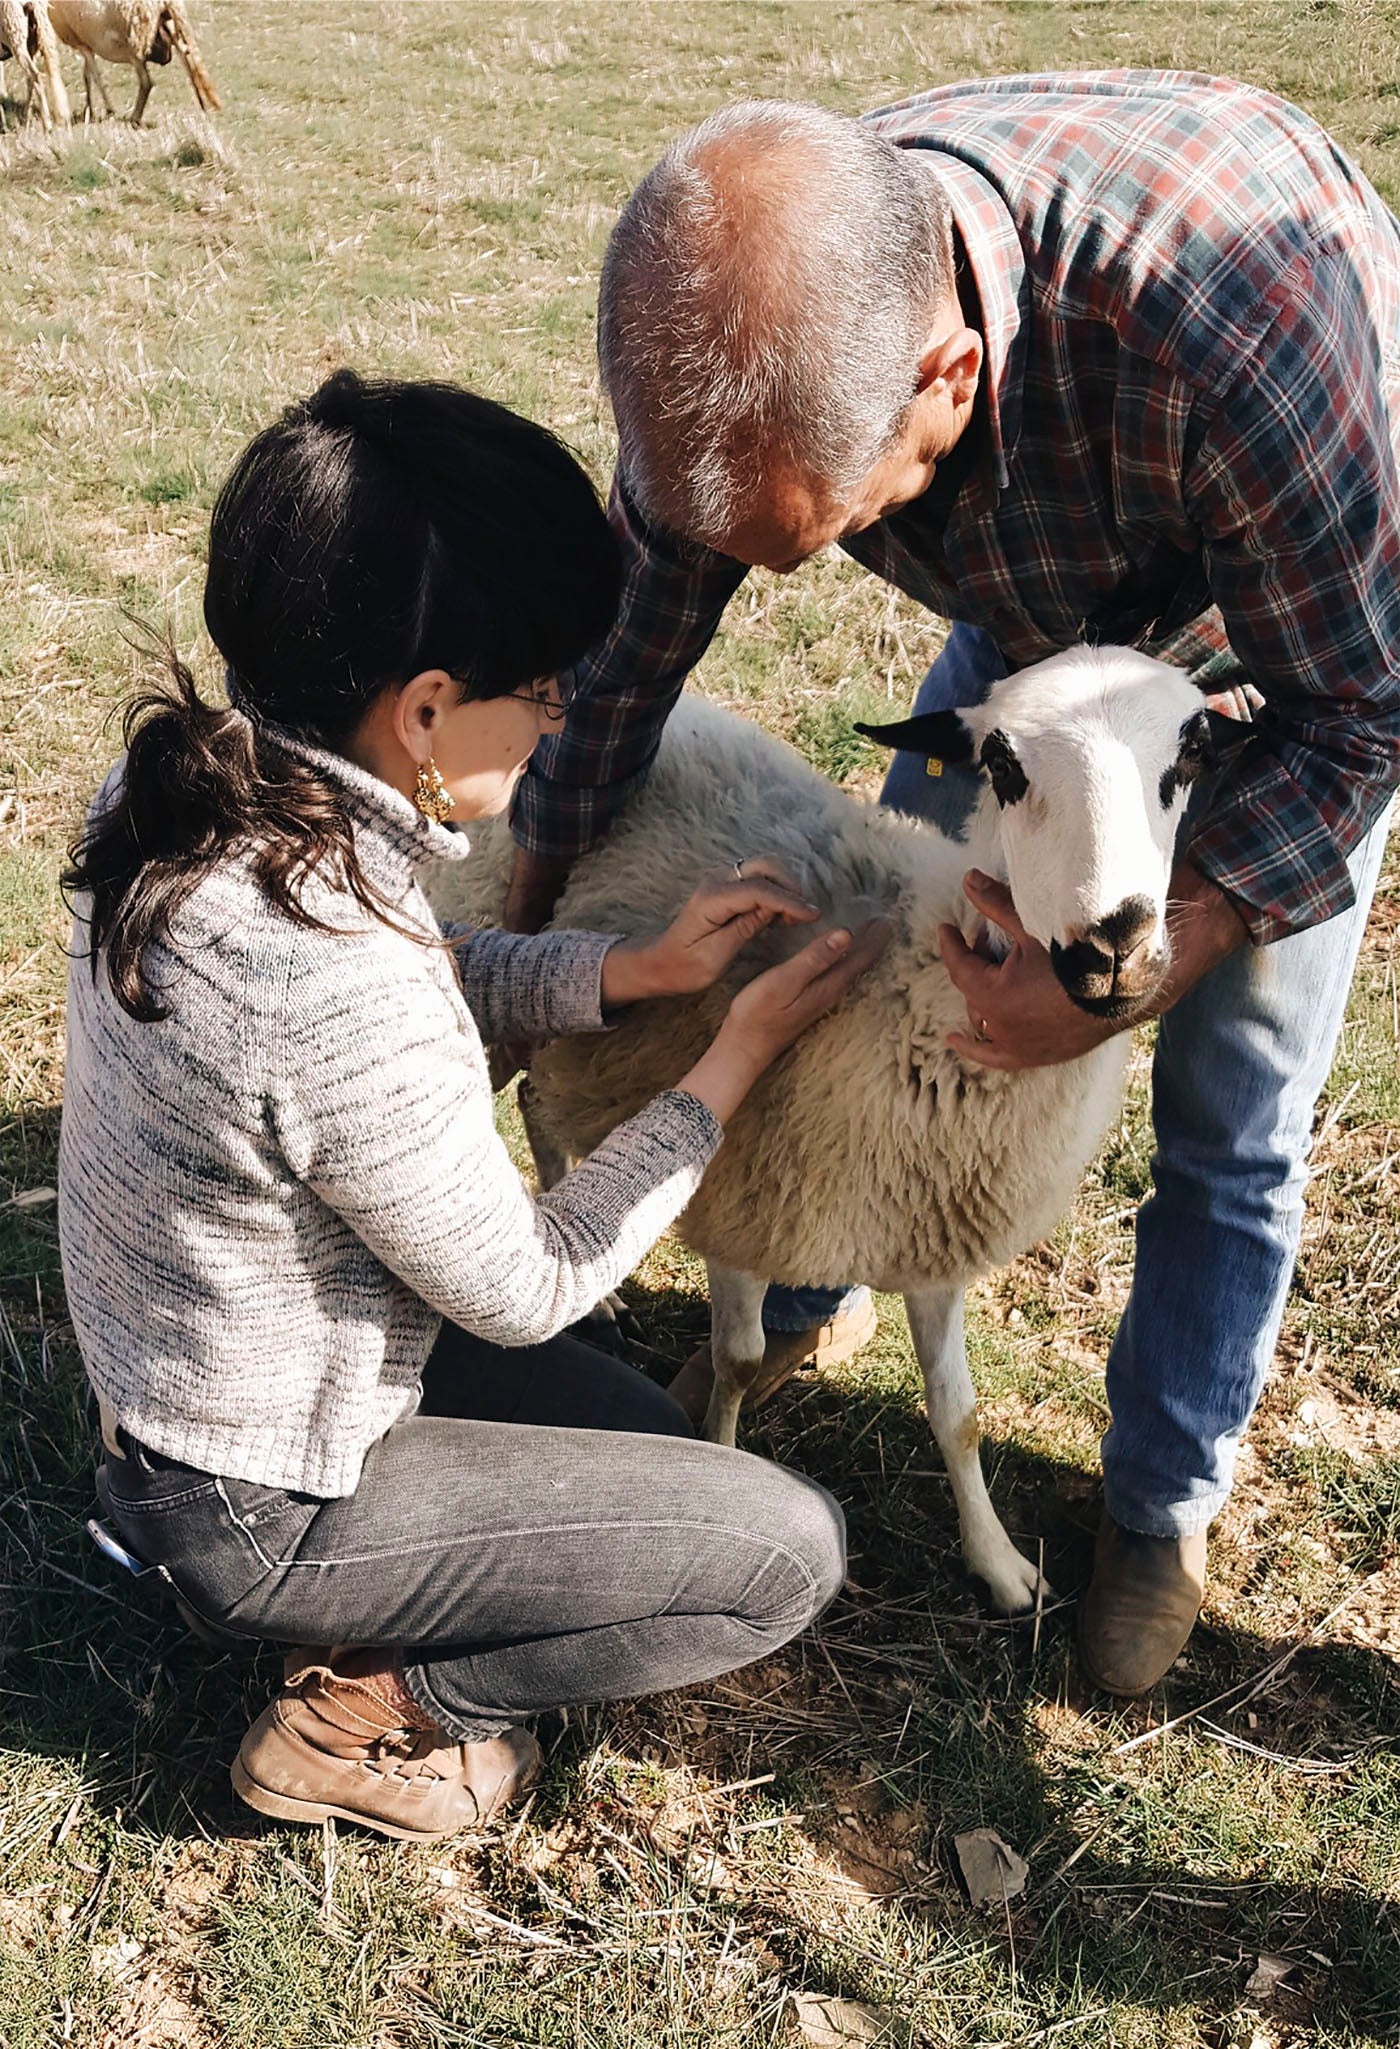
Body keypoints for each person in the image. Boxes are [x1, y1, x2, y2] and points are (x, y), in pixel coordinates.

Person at [500, 77, 1400, 1696]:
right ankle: (828, 1256)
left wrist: (1136, 964)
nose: (769, 568)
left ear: (951, 374)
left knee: (1234, 1104)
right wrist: (514, 941)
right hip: (1029, 631)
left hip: (1278, 653)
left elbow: (1367, 712)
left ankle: (1158, 1505)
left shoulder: (1253, 333)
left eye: (817, 536)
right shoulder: (759, 322)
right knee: (910, 968)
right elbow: (630, 666)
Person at [59, 370, 888, 1842]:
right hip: (258, 1497)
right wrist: (728, 1060)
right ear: (429, 711)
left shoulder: (200, 784)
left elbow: (411, 980)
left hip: (216, 1376)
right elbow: (530, 1279)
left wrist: (622, 969)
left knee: (653, 1442)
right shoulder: (329, 973)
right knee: (777, 1550)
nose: (564, 714)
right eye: (549, 689)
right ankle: (380, 1716)